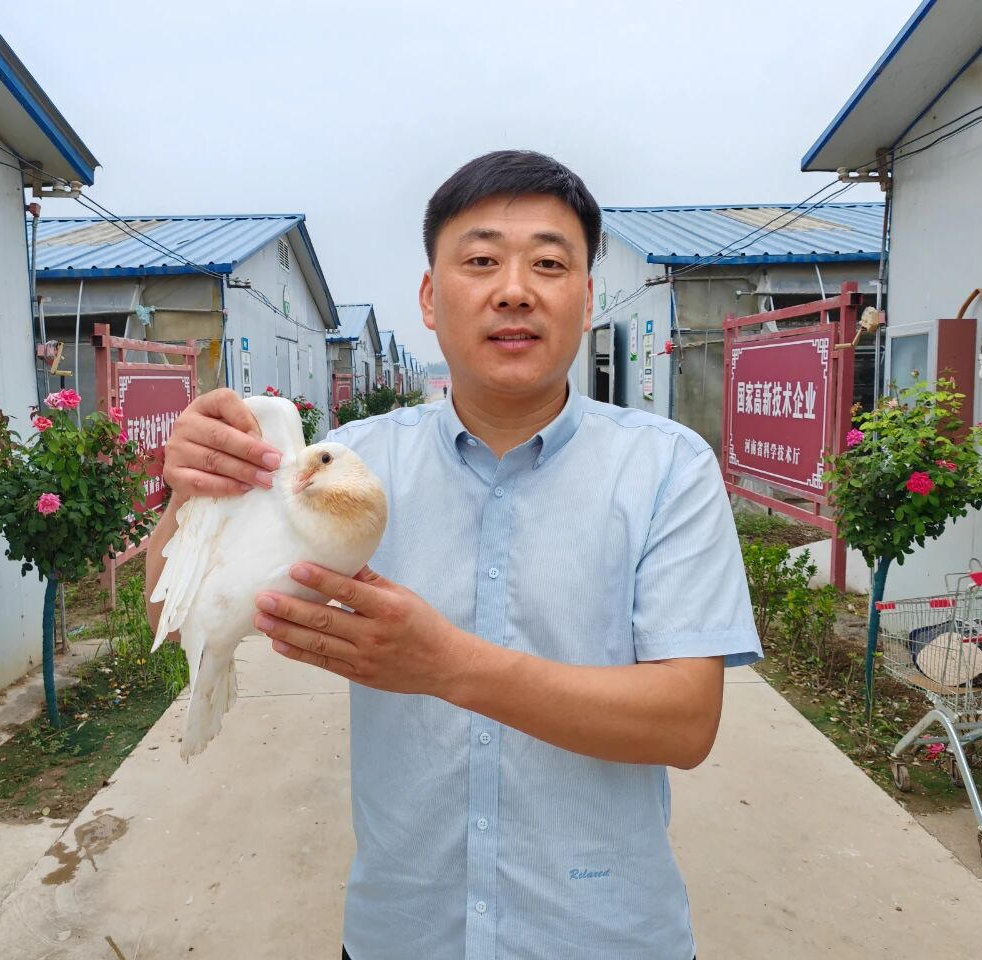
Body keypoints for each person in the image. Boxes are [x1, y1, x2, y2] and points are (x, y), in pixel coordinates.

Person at [146, 150, 761, 960]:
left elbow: (685, 722)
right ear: (431, 299)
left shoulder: (666, 468)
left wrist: (446, 665)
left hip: (607, 937)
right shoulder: (346, 470)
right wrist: (193, 496)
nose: (514, 290)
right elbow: (169, 611)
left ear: (587, 299)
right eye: (480, 261)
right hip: (402, 934)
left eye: (549, 263)